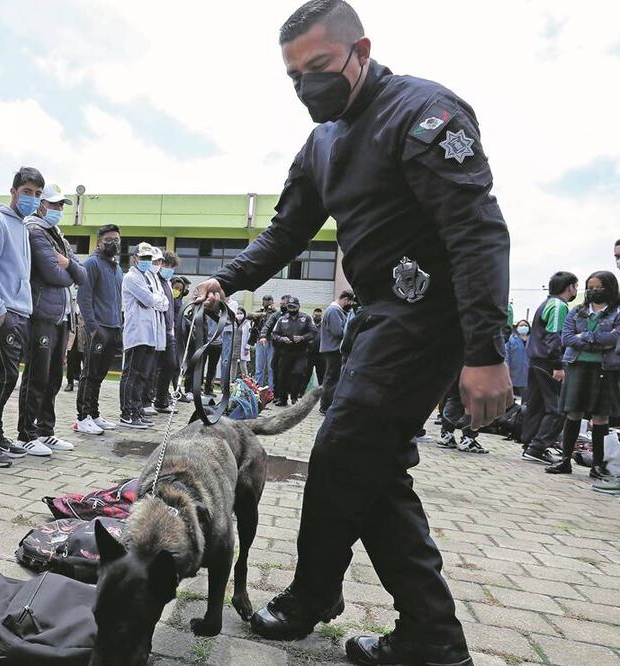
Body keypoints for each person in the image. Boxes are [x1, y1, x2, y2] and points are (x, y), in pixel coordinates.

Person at [193, 2, 512, 662]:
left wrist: (485, 350)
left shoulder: (422, 113)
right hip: (375, 319)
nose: (306, 85)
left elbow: (475, 231)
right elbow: (286, 230)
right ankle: (421, 633)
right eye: (293, 75)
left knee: (345, 452)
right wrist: (225, 279)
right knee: (367, 466)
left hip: (427, 316)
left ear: (360, 50)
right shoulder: (322, 142)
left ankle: (323, 599)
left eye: (318, 66)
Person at [0, 167, 42, 467]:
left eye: (37, 194)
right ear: (13, 191)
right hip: (4, 312)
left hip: (20, 310)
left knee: (7, 376)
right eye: (27, 192)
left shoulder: (23, 226)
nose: (32, 198)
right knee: (4, 376)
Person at [15, 185, 86, 455]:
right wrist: (69, 270)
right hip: (42, 314)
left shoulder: (58, 235)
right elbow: (51, 273)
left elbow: (83, 275)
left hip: (61, 316)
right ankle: (26, 434)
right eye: (53, 204)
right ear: (41, 204)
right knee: (37, 376)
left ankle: (46, 430)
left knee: (55, 376)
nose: (57, 209)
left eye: (60, 205)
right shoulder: (35, 231)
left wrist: (67, 264)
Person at [545, 272, 620, 479]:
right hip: (577, 366)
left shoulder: (617, 313)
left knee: (601, 416)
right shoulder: (577, 311)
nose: (593, 291)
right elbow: (567, 338)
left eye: (598, 287)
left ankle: (597, 465)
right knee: (573, 412)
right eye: (590, 287)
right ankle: (565, 460)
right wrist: (597, 341)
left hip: (605, 369)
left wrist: (585, 337)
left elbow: (614, 339)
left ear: (610, 288)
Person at [521, 272, 578, 465]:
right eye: (576, 286)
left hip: (536, 360)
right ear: (569, 287)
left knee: (536, 405)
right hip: (548, 362)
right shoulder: (558, 305)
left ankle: (529, 444)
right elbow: (554, 336)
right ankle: (537, 447)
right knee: (557, 408)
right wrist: (558, 365)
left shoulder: (546, 303)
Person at [74, 224, 124, 435]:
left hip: (113, 327)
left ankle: (94, 414)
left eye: (117, 240)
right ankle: (82, 417)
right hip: (98, 329)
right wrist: (93, 327)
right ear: (99, 242)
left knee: (100, 374)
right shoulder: (92, 264)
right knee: (90, 372)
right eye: (109, 240)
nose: (114, 243)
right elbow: (84, 298)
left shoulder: (117, 268)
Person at [120, 242, 168, 428]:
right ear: (135, 258)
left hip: (149, 334)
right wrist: (154, 300)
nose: (147, 261)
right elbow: (150, 300)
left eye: (149, 258)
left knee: (142, 376)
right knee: (131, 374)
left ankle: (137, 409)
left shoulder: (147, 278)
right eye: (144, 258)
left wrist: (154, 300)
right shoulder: (131, 278)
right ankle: (127, 413)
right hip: (136, 333)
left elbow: (163, 302)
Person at [271, 297, 316, 406]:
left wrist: (303, 337)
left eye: (293, 307)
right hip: (285, 351)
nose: (291, 309)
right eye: (289, 307)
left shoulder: (306, 318)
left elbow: (313, 332)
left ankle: (295, 396)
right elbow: (274, 334)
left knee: (298, 372)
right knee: (282, 375)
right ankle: (283, 399)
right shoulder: (282, 319)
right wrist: (281, 339)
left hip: (301, 352)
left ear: (298, 306)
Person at [154, 251, 182, 412]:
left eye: (172, 267)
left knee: (171, 365)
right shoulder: (155, 281)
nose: (169, 269)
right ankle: (155, 398)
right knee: (156, 367)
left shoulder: (167, 283)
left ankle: (161, 399)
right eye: (167, 265)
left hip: (169, 330)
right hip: (159, 329)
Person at [319, 290, 354, 413]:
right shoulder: (334, 311)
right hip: (333, 349)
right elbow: (337, 332)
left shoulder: (335, 310)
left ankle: (326, 404)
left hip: (332, 349)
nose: (350, 305)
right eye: (350, 302)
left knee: (332, 378)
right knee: (332, 379)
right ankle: (325, 406)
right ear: (345, 299)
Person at [252, 295, 278, 387]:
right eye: (265, 302)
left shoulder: (277, 313)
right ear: (262, 303)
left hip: (272, 341)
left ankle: (272, 389)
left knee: (272, 368)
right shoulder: (260, 312)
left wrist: (275, 311)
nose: (267, 304)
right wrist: (260, 314)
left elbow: (283, 317)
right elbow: (248, 316)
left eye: (269, 302)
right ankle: (258, 388)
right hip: (261, 341)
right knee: (259, 368)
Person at [506, 319, 530, 397]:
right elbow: (507, 355)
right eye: (521, 325)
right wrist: (507, 369)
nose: (523, 327)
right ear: (516, 327)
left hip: (528, 374)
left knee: (526, 398)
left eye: (526, 325)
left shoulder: (532, 340)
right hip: (513, 372)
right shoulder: (511, 339)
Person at [64, 302, 84, 392]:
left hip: (83, 336)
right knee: (71, 359)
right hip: (72, 337)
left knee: (85, 360)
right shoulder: (71, 304)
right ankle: (70, 382)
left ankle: (83, 381)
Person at [306, 307, 326, 388]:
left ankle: (322, 393)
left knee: (321, 376)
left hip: (321, 355)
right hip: (309, 355)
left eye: (319, 316)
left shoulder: (325, 327)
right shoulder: (308, 326)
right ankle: (301, 393)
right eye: (316, 315)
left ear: (322, 316)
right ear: (312, 315)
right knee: (306, 375)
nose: (317, 317)